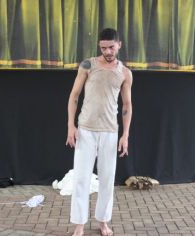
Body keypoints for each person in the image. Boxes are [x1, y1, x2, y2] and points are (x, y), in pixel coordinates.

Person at [66, 28, 133, 236]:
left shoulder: (125, 73)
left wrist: (125, 135)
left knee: (107, 179)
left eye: (111, 47)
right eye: (103, 48)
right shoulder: (88, 65)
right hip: (85, 129)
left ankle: (103, 221)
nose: (108, 51)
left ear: (119, 44)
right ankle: (79, 224)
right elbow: (74, 96)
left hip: (110, 132)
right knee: (81, 179)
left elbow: (127, 105)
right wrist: (71, 126)